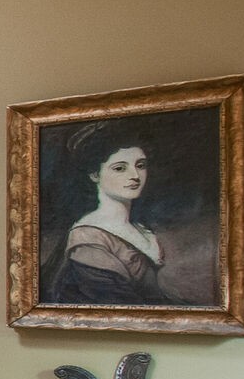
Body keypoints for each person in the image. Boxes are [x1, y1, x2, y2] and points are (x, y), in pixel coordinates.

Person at [42, 124, 170, 304]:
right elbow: (116, 305)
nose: (135, 175)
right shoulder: (88, 237)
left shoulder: (142, 229)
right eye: (120, 168)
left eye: (140, 165)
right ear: (95, 174)